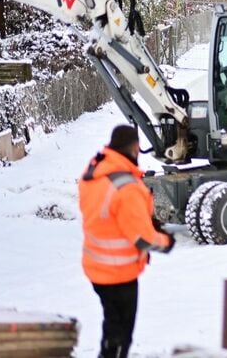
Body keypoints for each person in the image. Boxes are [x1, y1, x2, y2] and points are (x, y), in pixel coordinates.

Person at [79, 125, 175, 358]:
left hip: (96, 265)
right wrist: (166, 241)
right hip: (118, 272)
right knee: (121, 336)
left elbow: (107, 216)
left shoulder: (95, 173)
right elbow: (142, 239)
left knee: (112, 328)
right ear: (134, 147)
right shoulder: (127, 187)